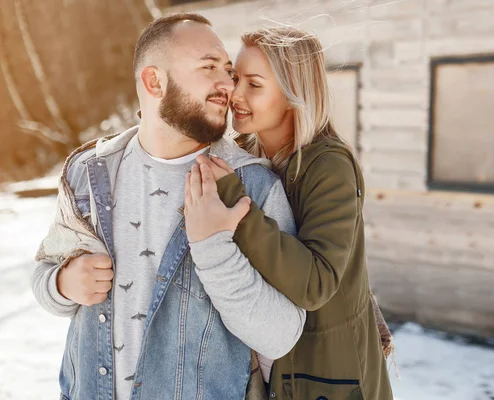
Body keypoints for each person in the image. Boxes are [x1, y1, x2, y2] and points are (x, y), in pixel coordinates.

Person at [31, 13, 306, 400]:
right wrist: (63, 283)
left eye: (227, 70)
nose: (227, 84)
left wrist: (215, 251)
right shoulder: (88, 172)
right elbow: (43, 274)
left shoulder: (252, 187)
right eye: (209, 67)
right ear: (154, 81)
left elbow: (282, 336)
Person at [189, 27, 394, 399]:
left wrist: (240, 210)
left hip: (329, 377)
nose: (236, 93)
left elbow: (316, 283)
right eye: (236, 79)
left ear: (292, 94)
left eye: (255, 84)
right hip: (277, 371)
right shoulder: (246, 155)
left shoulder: (328, 166)